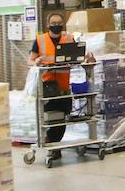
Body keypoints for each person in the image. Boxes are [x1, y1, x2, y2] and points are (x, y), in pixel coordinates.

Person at [28, 11, 94, 161]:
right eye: (53, 23)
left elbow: (76, 57)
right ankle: (51, 145)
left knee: (63, 117)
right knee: (51, 118)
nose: (56, 26)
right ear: (48, 24)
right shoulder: (40, 40)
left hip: (64, 85)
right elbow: (30, 61)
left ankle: (54, 145)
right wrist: (37, 61)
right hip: (47, 85)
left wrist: (87, 58)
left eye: (59, 23)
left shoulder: (68, 38)